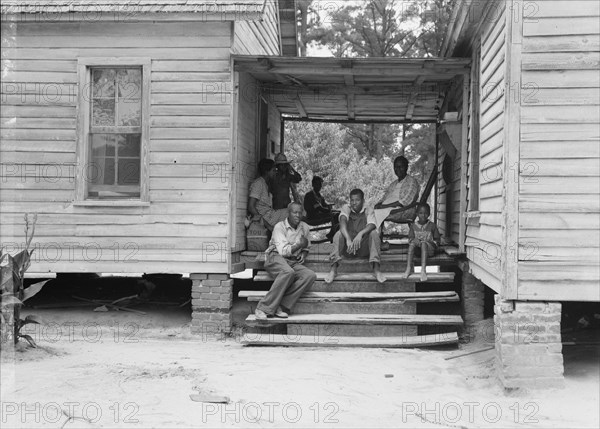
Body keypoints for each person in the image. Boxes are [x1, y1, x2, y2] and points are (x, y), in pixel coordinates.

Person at [254, 202, 317, 320]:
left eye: (300, 212)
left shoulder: (304, 227)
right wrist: (299, 245)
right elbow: (283, 251)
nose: (298, 215)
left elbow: (306, 245)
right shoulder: (279, 227)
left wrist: (304, 252)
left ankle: (281, 306)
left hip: (292, 260)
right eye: (294, 212)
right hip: (275, 257)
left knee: (310, 275)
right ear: (288, 213)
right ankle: (262, 308)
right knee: (288, 272)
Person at [325, 189, 386, 284]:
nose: (354, 203)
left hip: (363, 248)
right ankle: (333, 269)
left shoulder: (368, 209)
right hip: (348, 249)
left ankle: (376, 269)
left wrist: (360, 234)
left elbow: (372, 224)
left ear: (363, 200)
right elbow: (342, 223)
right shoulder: (346, 208)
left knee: (373, 233)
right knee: (338, 234)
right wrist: (348, 239)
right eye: (352, 200)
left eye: (357, 200)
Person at [374, 156, 420, 245]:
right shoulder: (394, 184)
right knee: (371, 211)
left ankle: (376, 241)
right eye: (395, 166)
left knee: (376, 213)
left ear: (406, 167)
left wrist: (384, 206)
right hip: (389, 208)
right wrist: (379, 204)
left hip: (404, 210)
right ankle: (375, 239)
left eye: (400, 166)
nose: (397, 169)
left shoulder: (411, 182)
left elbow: (405, 201)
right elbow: (385, 197)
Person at [403, 203, 441, 282]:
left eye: (425, 213)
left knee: (424, 244)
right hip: (417, 252)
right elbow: (410, 238)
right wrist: (414, 240)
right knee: (412, 244)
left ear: (429, 214)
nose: (423, 215)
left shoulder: (432, 226)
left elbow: (437, 241)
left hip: (429, 251)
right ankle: (408, 268)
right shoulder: (413, 226)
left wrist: (429, 242)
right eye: (420, 213)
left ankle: (423, 270)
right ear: (417, 214)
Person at [248, 158, 288, 231]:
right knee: (292, 213)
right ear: (267, 171)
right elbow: (251, 207)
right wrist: (267, 225)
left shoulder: (265, 184)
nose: (275, 172)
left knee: (295, 211)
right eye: (273, 170)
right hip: (265, 218)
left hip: (270, 215)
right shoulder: (258, 184)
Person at [303, 176, 340, 241]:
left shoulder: (319, 195)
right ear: (313, 185)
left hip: (319, 215)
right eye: (317, 184)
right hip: (312, 217)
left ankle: (334, 234)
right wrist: (331, 211)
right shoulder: (310, 195)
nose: (319, 186)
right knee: (337, 215)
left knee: (338, 214)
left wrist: (331, 208)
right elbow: (320, 209)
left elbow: (324, 205)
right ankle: (332, 234)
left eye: (320, 184)